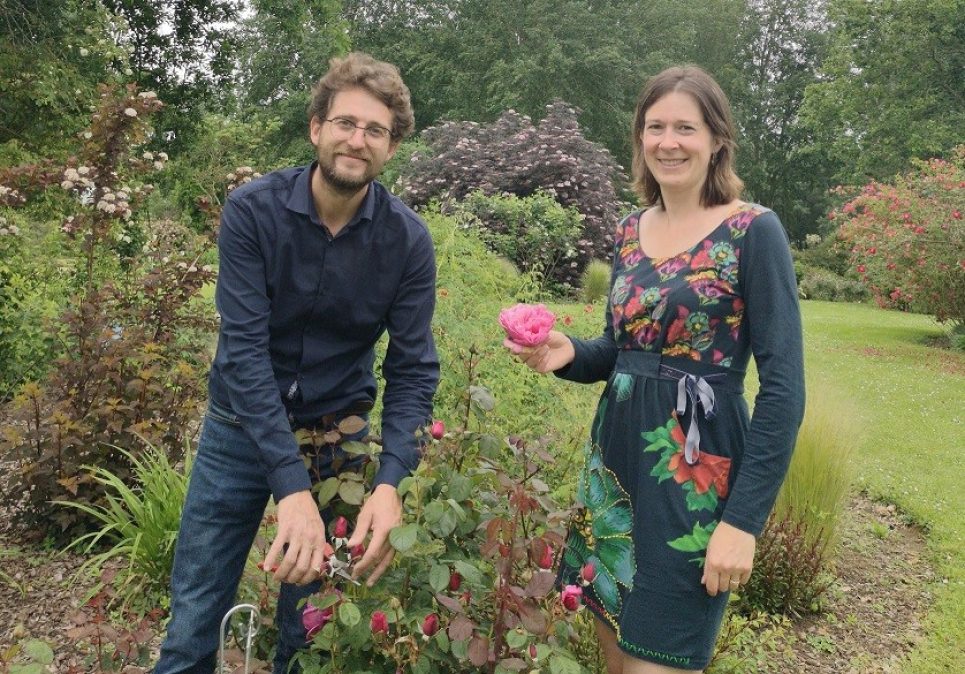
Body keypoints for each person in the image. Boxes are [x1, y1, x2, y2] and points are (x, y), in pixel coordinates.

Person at [505, 66, 805, 673]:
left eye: (686, 128)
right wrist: (569, 353)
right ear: (640, 138)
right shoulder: (628, 231)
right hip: (614, 469)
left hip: (694, 473)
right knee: (616, 656)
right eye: (655, 126)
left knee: (660, 660)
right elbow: (624, 351)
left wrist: (742, 523)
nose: (669, 141)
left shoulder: (753, 232)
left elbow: (784, 391)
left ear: (717, 139)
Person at [154, 53, 439, 674]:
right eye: (345, 123)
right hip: (239, 426)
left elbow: (414, 369)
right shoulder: (253, 212)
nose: (356, 140)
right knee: (194, 617)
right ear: (316, 128)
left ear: (392, 146)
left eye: (374, 130)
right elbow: (246, 353)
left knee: (310, 630)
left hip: (338, 435)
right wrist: (290, 488)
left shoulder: (407, 242)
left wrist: (390, 482)